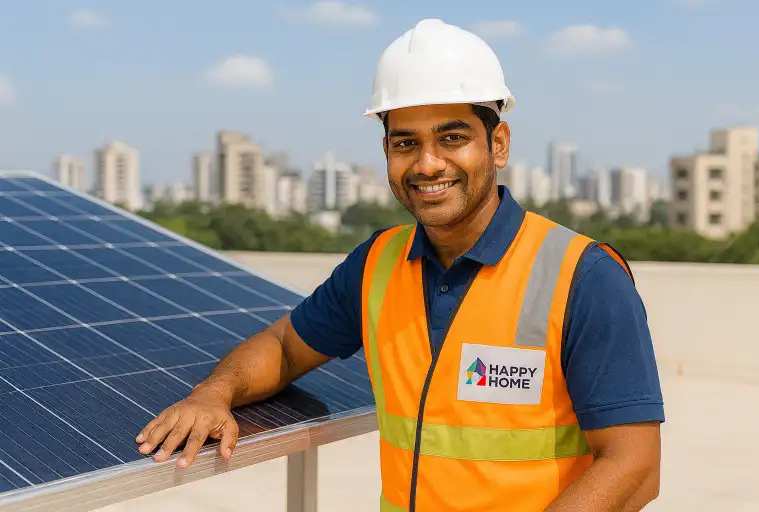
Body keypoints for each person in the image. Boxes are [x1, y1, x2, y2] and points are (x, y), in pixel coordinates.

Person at [136, 18, 664, 511]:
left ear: (498, 144)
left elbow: (634, 467)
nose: (428, 163)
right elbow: (282, 347)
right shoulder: (379, 264)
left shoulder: (582, 276)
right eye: (406, 143)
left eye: (452, 137)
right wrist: (213, 393)